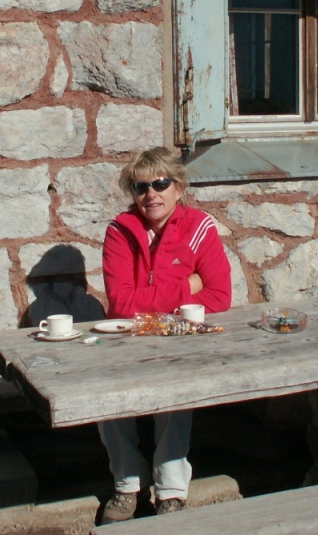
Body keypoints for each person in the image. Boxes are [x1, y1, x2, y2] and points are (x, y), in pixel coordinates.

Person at [98, 146, 232, 524]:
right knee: (104, 388)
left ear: (179, 188)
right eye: (140, 187)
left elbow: (220, 296)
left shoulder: (199, 228)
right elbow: (121, 302)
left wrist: (154, 305)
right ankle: (127, 482)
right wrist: (187, 286)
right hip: (127, 337)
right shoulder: (120, 231)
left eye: (160, 184)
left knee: (177, 388)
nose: (151, 194)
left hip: (178, 337)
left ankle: (170, 489)